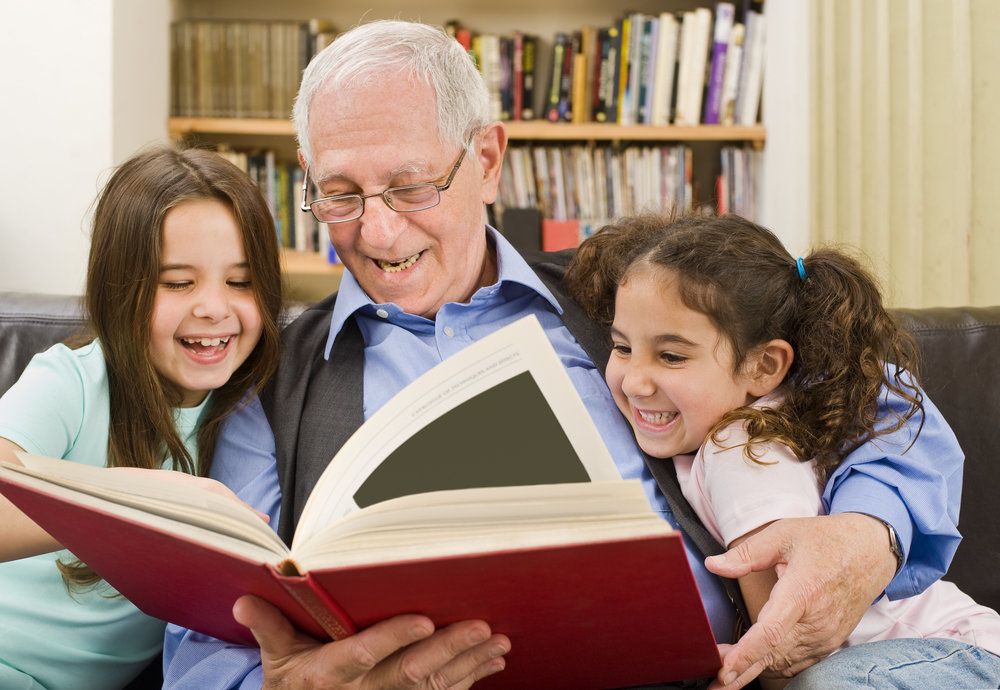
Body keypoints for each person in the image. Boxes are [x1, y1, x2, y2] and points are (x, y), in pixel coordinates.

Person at [162, 20, 965, 690]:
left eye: (411, 187)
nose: (375, 233)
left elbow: (878, 397)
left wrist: (870, 532)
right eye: (340, 192)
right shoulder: (268, 384)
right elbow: (202, 649)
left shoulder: (632, 289)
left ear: (485, 159)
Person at [566, 213, 1000, 688]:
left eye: (672, 356)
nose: (634, 380)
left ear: (764, 366)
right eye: (622, 347)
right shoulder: (761, 413)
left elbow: (787, 643)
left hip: (952, 653)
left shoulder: (740, 449)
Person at [0, 147, 283, 690]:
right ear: (119, 288)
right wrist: (143, 500)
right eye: (178, 283)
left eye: (241, 282)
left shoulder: (259, 414)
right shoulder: (75, 380)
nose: (213, 308)